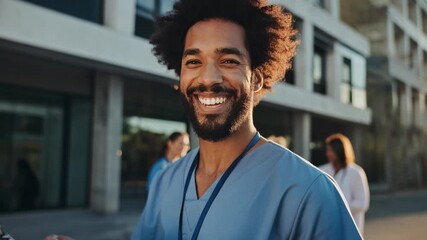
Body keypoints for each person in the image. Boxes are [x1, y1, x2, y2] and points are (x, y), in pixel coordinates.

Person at [132, 0, 362, 239]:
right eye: (193, 62)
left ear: (257, 78)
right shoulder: (165, 182)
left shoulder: (309, 193)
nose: (208, 78)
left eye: (229, 61)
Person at [319, 133, 370, 234]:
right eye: (328, 150)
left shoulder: (356, 172)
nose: (328, 154)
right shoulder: (323, 171)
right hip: (329, 229)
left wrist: (339, 208)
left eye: (331, 150)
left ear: (339, 151)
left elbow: (362, 203)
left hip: (350, 228)